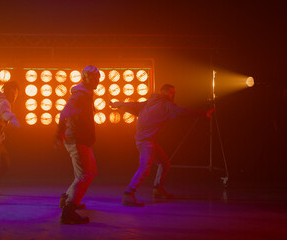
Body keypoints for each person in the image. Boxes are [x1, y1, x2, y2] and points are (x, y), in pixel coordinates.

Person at [109, 84, 215, 207]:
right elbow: (182, 112)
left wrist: (116, 104)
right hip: (146, 142)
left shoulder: (147, 103)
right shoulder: (166, 105)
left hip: (148, 141)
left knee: (164, 162)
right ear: (163, 93)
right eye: (171, 92)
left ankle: (157, 189)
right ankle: (128, 194)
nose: (173, 95)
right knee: (145, 168)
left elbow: (131, 105)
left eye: (174, 92)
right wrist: (202, 113)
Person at [55, 65, 100, 224]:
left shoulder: (86, 94)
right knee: (84, 175)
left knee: (91, 172)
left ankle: (68, 198)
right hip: (77, 139)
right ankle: (68, 211)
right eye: (94, 77)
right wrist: (59, 131)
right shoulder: (80, 95)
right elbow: (64, 112)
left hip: (82, 139)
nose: (97, 80)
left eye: (98, 77)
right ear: (85, 78)